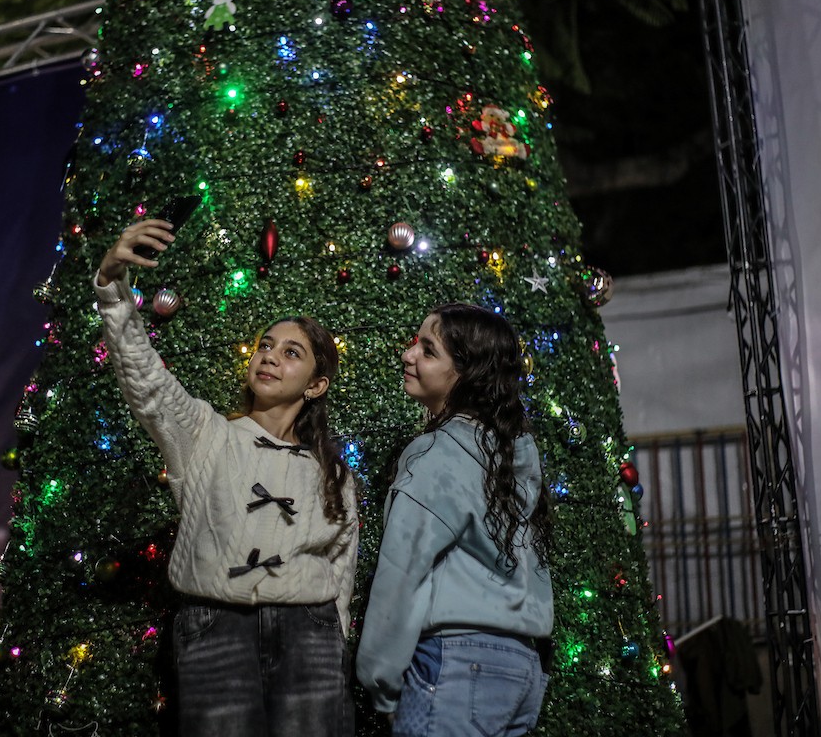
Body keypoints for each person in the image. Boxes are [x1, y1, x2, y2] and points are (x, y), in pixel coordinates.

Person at [93, 218, 358, 737]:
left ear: (316, 384)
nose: (270, 357)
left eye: (291, 353)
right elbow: (143, 375)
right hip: (217, 628)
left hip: (312, 633)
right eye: (266, 345)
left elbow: (342, 566)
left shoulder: (335, 472)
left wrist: (336, 634)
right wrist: (112, 285)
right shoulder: (205, 433)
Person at [356, 303, 554, 736]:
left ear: (465, 374)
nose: (408, 355)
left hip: (456, 668)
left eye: (428, 351)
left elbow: (401, 571)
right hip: (522, 669)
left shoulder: (436, 455)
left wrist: (381, 683)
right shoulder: (514, 455)